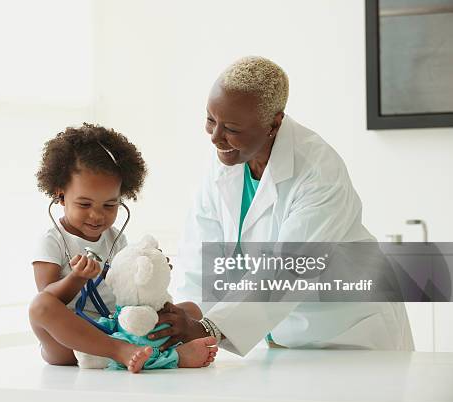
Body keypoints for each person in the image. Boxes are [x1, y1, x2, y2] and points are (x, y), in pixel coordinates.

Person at [148, 56, 414, 355]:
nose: (215, 136)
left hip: (349, 331)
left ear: (273, 123)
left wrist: (209, 328)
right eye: (211, 119)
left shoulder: (318, 170)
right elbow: (201, 249)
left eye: (231, 128)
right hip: (284, 337)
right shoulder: (227, 158)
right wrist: (182, 316)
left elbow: (289, 267)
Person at [28, 123, 218, 372]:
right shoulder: (52, 240)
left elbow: (125, 290)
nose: (97, 216)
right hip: (72, 340)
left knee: (189, 311)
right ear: (61, 195)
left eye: (109, 205)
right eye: (84, 204)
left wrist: (149, 273)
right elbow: (49, 296)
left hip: (118, 326)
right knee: (39, 307)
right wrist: (76, 278)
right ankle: (130, 353)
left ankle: (141, 351)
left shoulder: (116, 238)